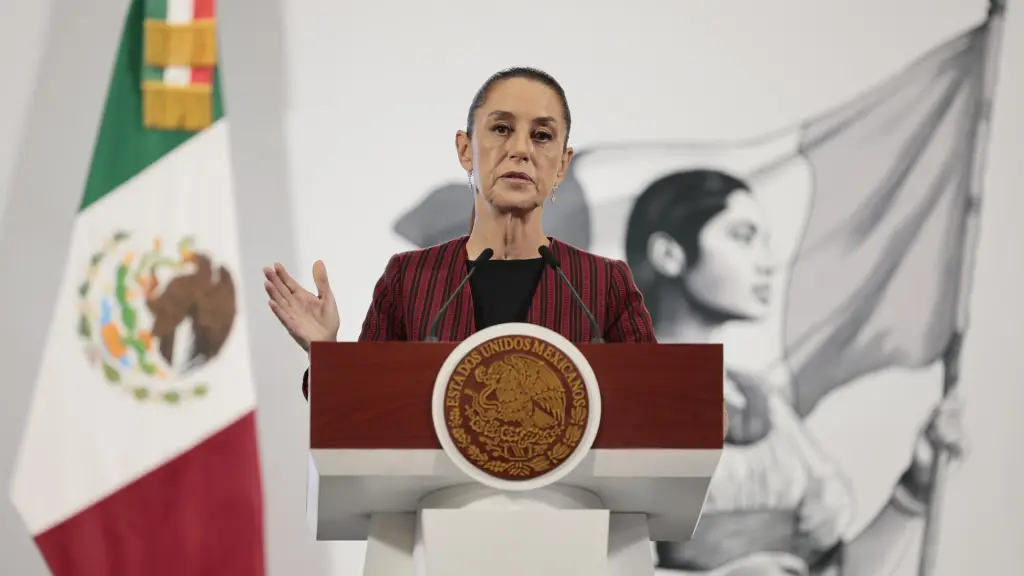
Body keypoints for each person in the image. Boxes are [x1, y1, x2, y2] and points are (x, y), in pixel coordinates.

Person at [262, 67, 728, 436]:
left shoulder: (604, 285)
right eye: (501, 129)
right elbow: (364, 420)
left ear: (563, 163)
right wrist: (325, 354)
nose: (520, 150)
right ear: (466, 150)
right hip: (440, 533)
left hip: (570, 537)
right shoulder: (412, 278)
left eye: (542, 136)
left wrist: (697, 411)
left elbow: (655, 417)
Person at [626, 169, 966, 576]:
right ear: (669, 254)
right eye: (743, 236)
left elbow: (838, 570)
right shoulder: (620, 398)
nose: (768, 263)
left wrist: (914, 489)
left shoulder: (764, 406)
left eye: (766, 242)